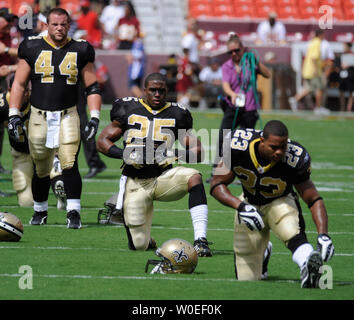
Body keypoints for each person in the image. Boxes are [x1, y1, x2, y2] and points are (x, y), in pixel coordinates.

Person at [96, 72, 212, 256]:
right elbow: (102, 141)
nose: (157, 94)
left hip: (163, 178)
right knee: (138, 245)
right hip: (135, 182)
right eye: (153, 90)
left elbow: (198, 152)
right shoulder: (128, 108)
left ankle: (201, 240)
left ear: (167, 92)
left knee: (194, 177)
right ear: (145, 91)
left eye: (161, 91)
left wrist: (173, 154)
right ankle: (147, 238)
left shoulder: (177, 113)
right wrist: (126, 155)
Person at [210, 120, 334, 288]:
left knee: (290, 229)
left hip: (280, 200)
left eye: (283, 146)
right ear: (262, 141)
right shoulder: (236, 146)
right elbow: (216, 184)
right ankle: (264, 251)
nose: (279, 152)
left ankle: (307, 264)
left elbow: (313, 198)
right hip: (249, 204)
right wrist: (240, 206)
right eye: (274, 147)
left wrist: (323, 234)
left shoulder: (294, 158)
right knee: (247, 279)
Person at [8, 8, 102, 229]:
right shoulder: (32, 46)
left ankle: (74, 211)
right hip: (38, 114)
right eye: (55, 24)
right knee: (41, 166)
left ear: (69, 25)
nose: (59, 28)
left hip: (68, 113)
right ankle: (40, 210)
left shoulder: (81, 48)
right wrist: (14, 113)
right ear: (46, 25)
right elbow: (19, 84)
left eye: (63, 24)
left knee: (69, 163)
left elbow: (93, 86)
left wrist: (95, 116)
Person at [206, 33, 271, 182]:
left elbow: (268, 75)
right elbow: (226, 86)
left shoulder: (250, 62)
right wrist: (232, 95)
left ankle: (247, 174)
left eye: (236, 50)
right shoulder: (227, 66)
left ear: (243, 49)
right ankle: (217, 172)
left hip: (250, 108)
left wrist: (257, 62)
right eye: (230, 52)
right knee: (224, 137)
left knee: (248, 142)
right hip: (232, 107)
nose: (234, 54)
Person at [289, 29, 330, 115]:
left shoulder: (311, 43)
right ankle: (318, 108)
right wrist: (316, 70)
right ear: (321, 35)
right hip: (313, 71)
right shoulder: (317, 43)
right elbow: (314, 58)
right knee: (319, 88)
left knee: (308, 89)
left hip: (308, 70)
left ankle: (294, 99)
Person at [125, 32, 145, 97]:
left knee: (132, 85)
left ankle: (143, 99)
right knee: (137, 86)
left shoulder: (138, 43)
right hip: (137, 69)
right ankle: (139, 102)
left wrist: (130, 56)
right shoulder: (137, 43)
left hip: (136, 70)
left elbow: (138, 55)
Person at [338, 42, 354, 112]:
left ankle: (349, 108)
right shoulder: (342, 55)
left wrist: (349, 65)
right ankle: (342, 107)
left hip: (350, 76)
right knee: (341, 91)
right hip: (343, 76)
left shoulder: (352, 55)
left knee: (351, 92)